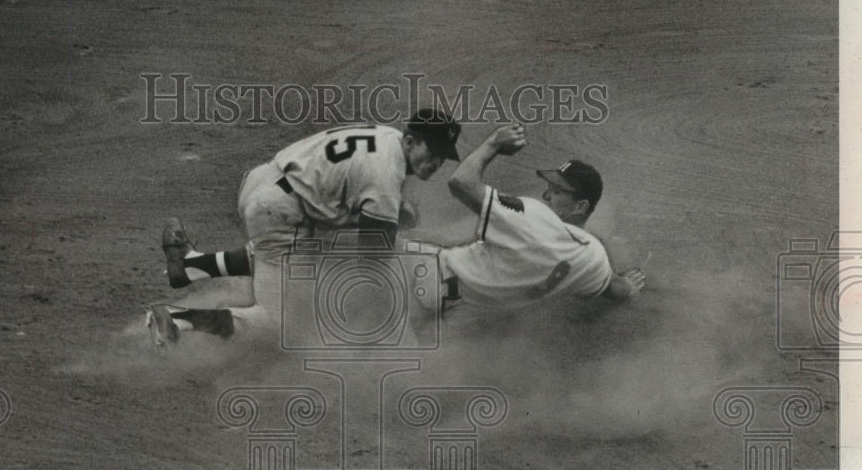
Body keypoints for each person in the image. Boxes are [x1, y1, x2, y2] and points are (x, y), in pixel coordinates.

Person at [146, 108, 461, 346]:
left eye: (442, 158)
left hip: (264, 184)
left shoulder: (387, 138)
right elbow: (372, 260)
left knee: (316, 249)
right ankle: (177, 318)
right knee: (283, 323)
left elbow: (358, 190)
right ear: (410, 141)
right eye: (431, 152)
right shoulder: (384, 180)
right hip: (280, 213)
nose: (435, 163)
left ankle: (190, 266)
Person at [427, 123, 646, 315]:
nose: (546, 196)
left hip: (421, 276)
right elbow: (614, 288)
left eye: (558, 191)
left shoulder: (532, 217)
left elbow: (460, 182)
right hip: (453, 313)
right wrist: (627, 287)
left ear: (581, 206)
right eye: (549, 187)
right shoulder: (593, 258)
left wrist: (493, 142)